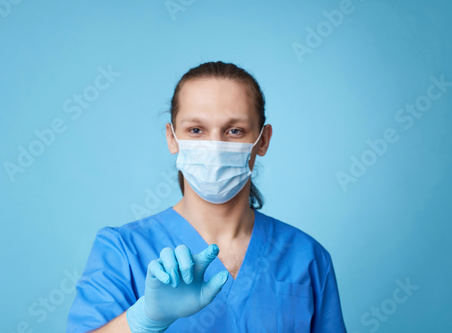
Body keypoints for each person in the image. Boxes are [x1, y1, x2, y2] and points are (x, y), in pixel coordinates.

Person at [66, 61, 347, 332]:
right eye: (196, 130)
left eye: (234, 130)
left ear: (262, 140)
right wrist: (143, 320)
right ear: (172, 137)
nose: (215, 146)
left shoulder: (306, 257)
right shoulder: (123, 251)